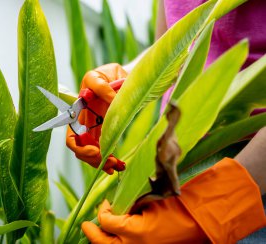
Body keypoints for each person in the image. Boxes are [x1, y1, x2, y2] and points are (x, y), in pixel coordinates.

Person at [66, 0, 266, 243]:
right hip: (173, 172)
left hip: (254, 183)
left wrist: (219, 204)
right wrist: (124, 80)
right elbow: (175, 45)